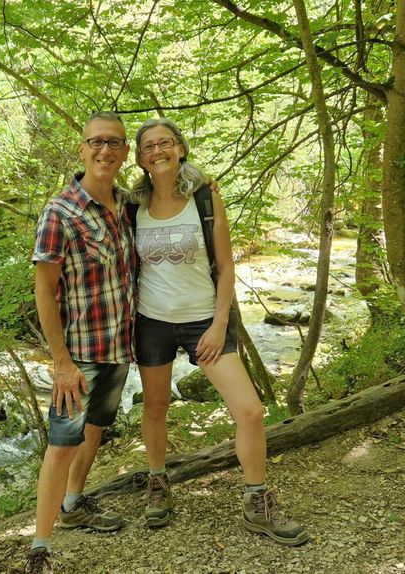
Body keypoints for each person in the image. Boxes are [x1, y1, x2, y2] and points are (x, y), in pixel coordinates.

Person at [131, 117, 309, 545]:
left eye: (166, 143)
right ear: (139, 158)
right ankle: (158, 482)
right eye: (149, 147)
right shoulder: (131, 205)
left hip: (202, 321)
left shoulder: (205, 197)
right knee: (155, 406)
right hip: (150, 320)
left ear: (181, 149)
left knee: (249, 411)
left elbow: (227, 266)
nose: (158, 152)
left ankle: (256, 502)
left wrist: (217, 324)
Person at [25, 111, 136, 574]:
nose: (105, 150)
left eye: (114, 143)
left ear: (126, 152)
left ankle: (73, 505)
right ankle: (39, 549)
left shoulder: (130, 204)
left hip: (118, 348)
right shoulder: (60, 211)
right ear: (82, 148)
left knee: (95, 430)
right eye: (97, 141)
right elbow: (44, 293)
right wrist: (62, 363)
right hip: (80, 356)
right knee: (62, 443)